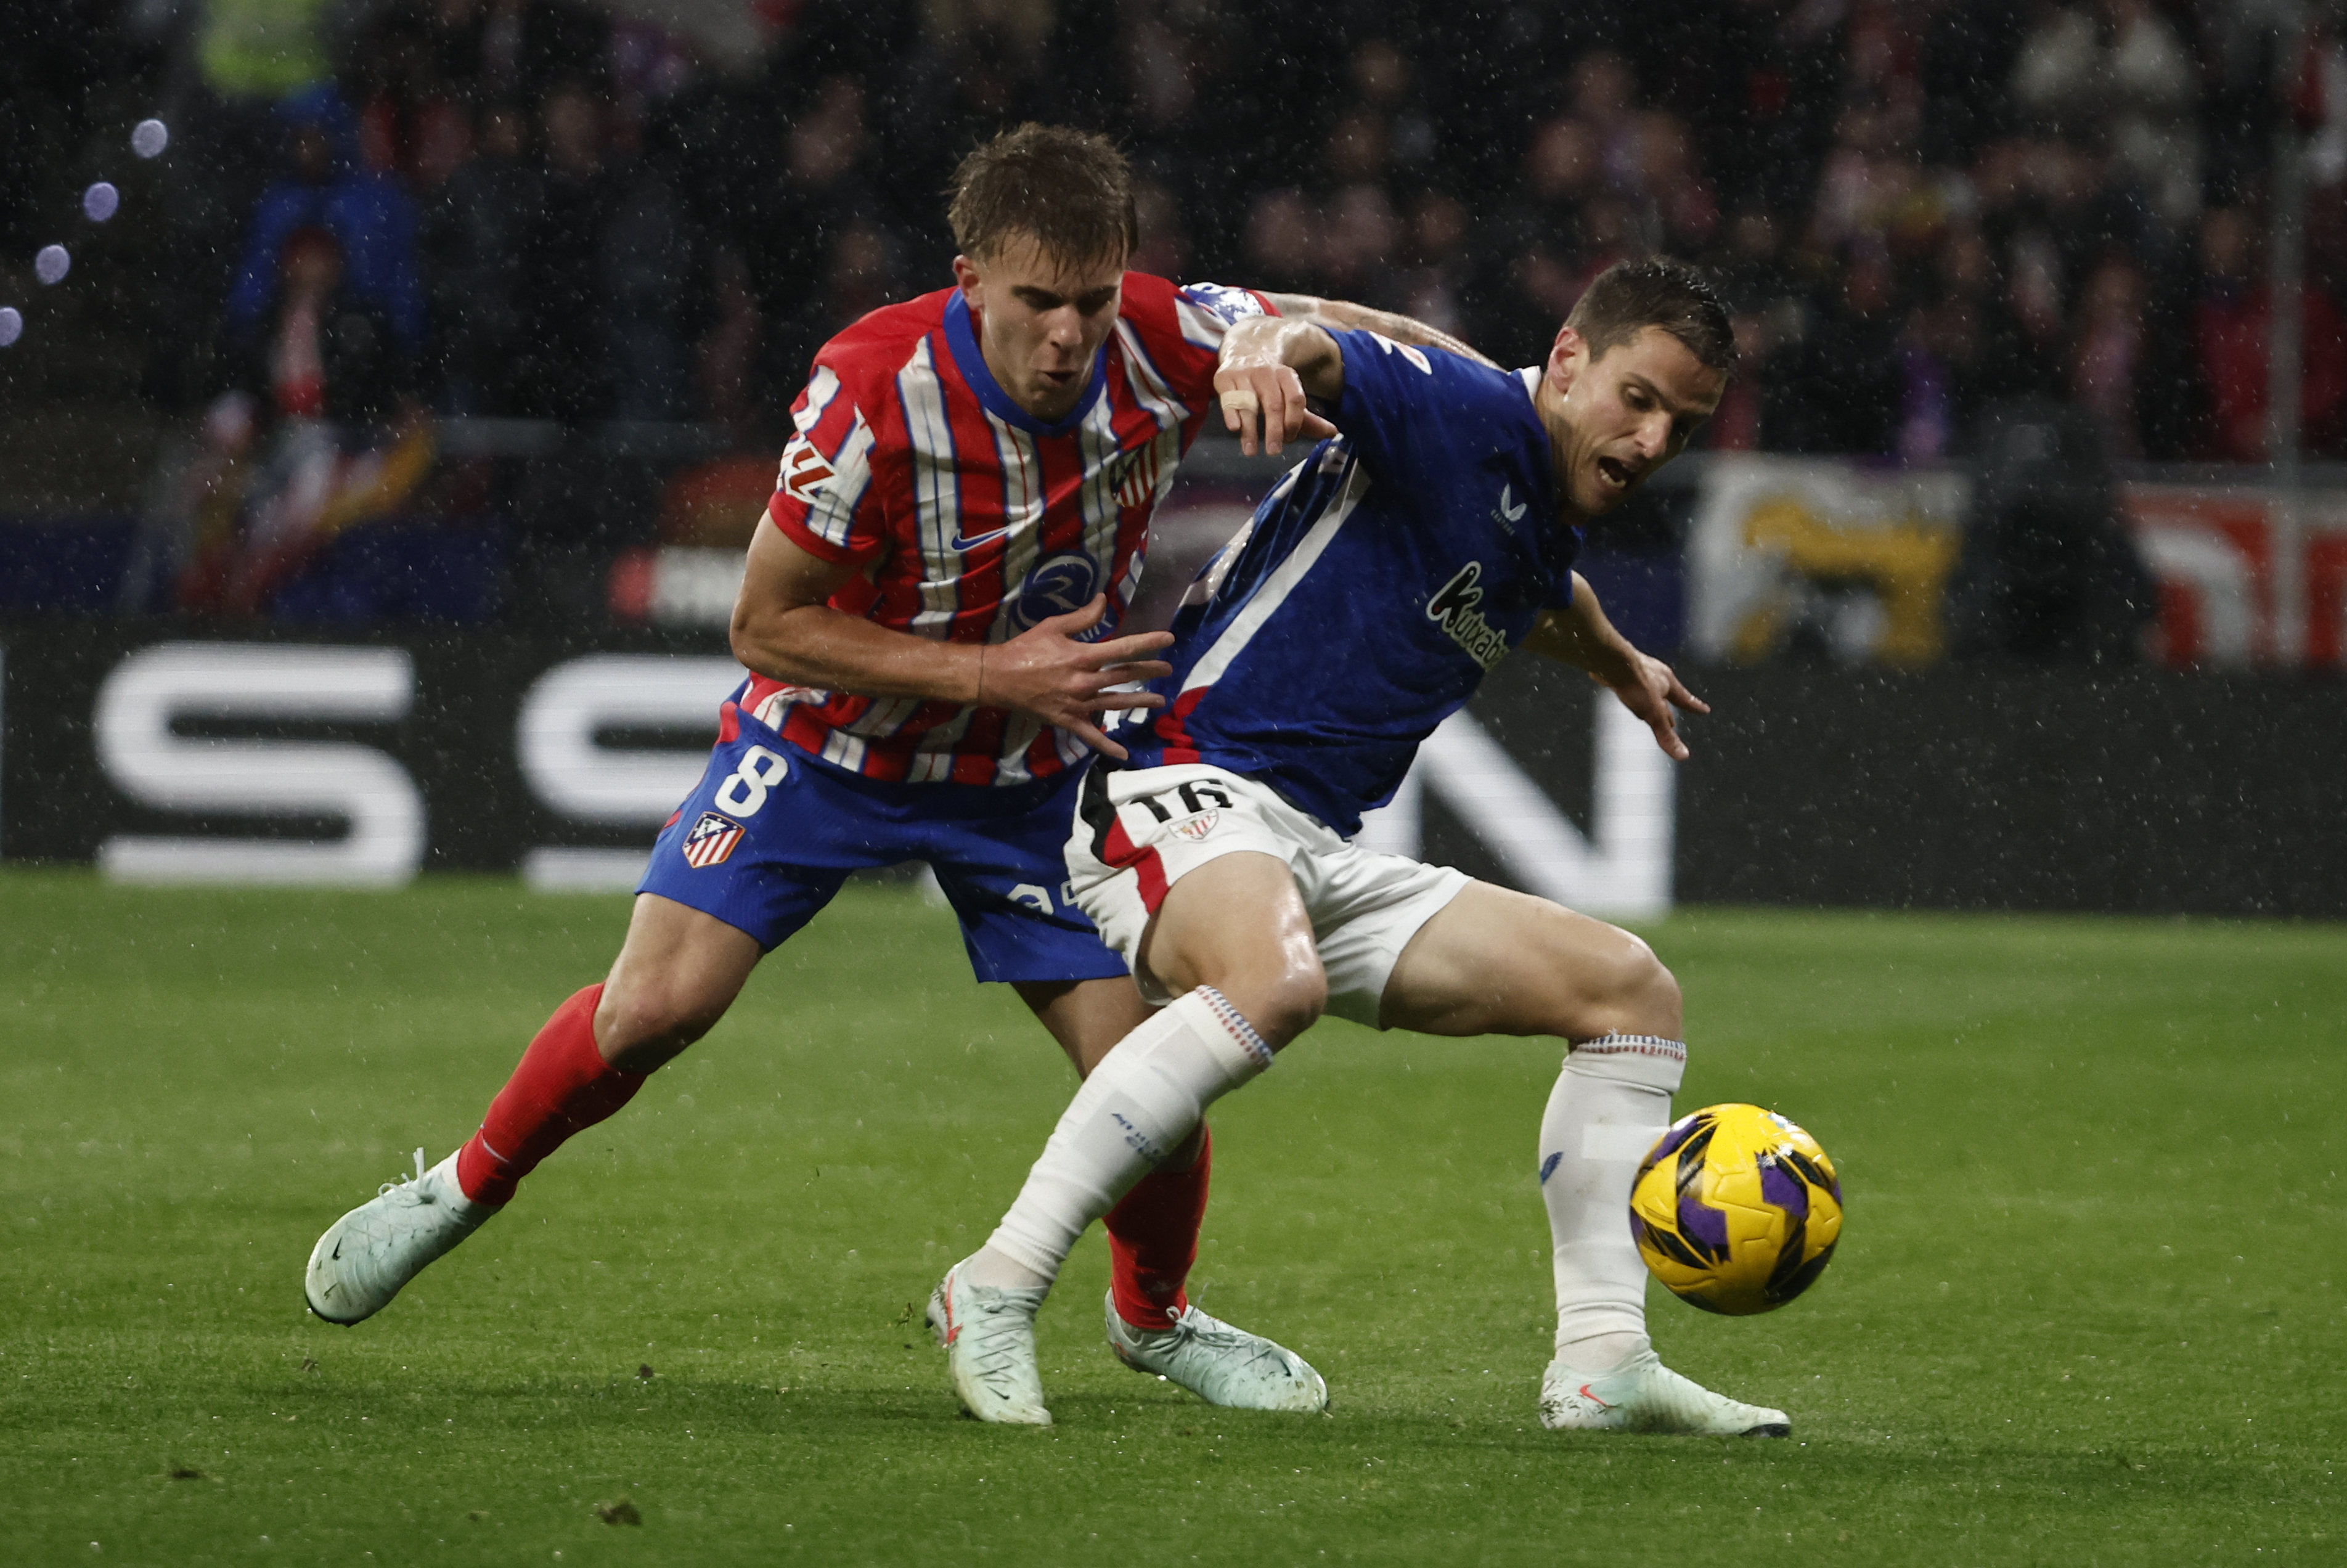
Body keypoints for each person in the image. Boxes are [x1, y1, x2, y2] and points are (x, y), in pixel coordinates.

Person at [301, 124, 1480, 1416]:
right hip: (826, 743)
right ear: (968, 275)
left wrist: (1509, 396)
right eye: (1035, 303)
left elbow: (1344, 329)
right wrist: (989, 675)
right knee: (655, 1011)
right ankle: (462, 1185)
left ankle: (1154, 1321)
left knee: (1152, 1066)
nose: (1067, 337)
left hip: (1034, 771)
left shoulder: (1161, 333)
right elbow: (763, 625)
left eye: (1090, 302)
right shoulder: (867, 389)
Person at [931, 258, 1793, 1437]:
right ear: (1572, 358)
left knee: (1629, 992)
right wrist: (1257, 352)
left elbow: (1544, 588)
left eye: (1681, 426)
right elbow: (1319, 353)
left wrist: (1617, 661)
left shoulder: (1537, 504)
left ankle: (1602, 1361)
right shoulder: (1467, 405)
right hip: (1182, 783)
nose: (1650, 441)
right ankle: (999, 1279)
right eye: (1637, 399)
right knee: (1268, 983)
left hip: (1309, 852)